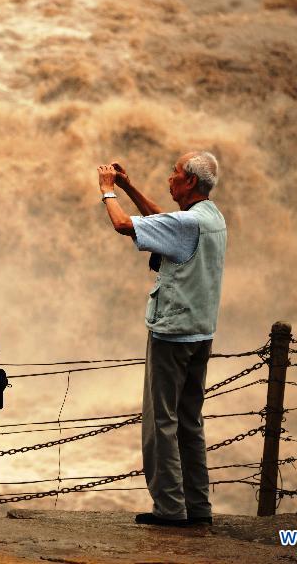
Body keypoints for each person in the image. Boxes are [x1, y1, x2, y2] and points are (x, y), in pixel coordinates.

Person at [97, 152, 226, 527]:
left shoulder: (188, 224)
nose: (170, 178)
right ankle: (198, 506)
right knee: (189, 421)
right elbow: (165, 222)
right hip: (201, 333)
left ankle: (170, 508)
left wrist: (108, 192)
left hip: (172, 333)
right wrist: (130, 185)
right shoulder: (211, 217)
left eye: (174, 173)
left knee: (161, 423)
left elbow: (124, 225)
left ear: (188, 182)